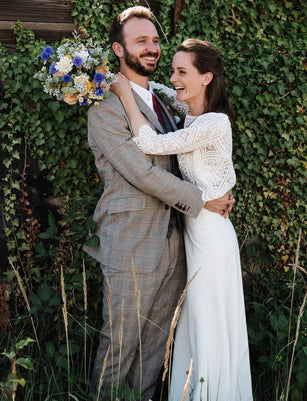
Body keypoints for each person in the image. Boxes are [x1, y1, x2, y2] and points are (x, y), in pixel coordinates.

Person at [83, 6, 234, 401]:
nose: (151, 48)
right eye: (140, 41)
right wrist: (205, 201)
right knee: (119, 347)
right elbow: (143, 173)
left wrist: (216, 188)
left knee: (154, 351)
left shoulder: (169, 99)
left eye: (154, 40)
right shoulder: (105, 109)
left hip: (179, 244)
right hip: (132, 244)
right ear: (119, 49)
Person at [111, 38, 253, 401]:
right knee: (194, 324)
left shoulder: (214, 123)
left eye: (181, 72)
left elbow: (150, 144)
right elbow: (158, 89)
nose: (172, 77)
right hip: (196, 230)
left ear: (206, 78)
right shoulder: (189, 113)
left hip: (211, 239)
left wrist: (126, 96)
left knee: (209, 325)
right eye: (172, 69)